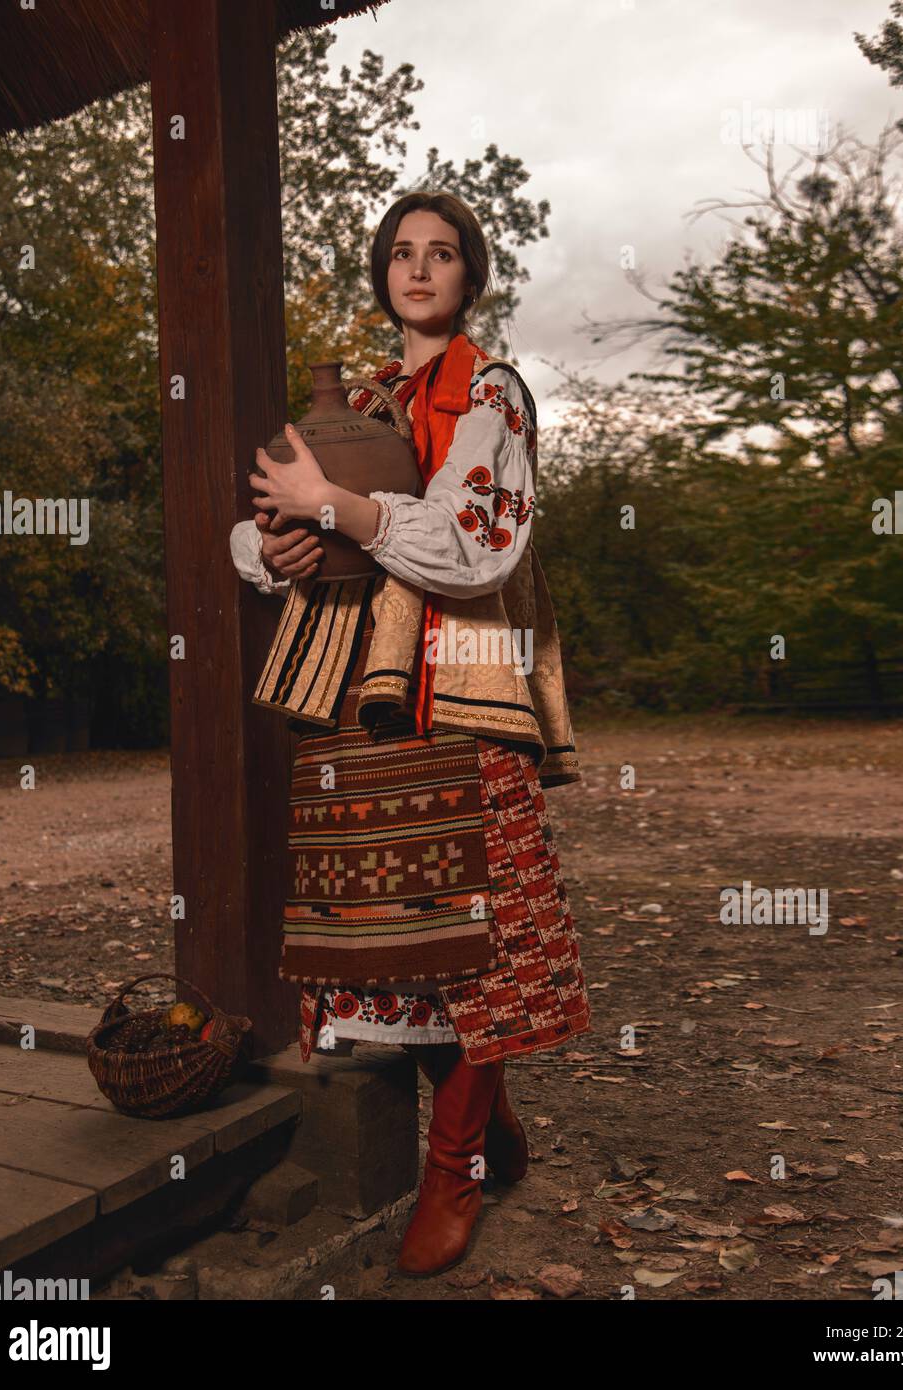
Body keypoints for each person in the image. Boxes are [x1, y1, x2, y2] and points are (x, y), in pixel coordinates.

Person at [229, 191, 590, 1277]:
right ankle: (491, 1121)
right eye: (401, 253)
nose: (419, 269)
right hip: (367, 679)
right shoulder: (366, 402)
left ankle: (453, 1166)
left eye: (441, 254)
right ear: (382, 273)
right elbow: (269, 524)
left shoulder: (493, 394)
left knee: (481, 930)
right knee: (397, 923)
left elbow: (470, 549)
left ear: (470, 276)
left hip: (472, 669)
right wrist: (276, 545)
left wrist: (333, 507)